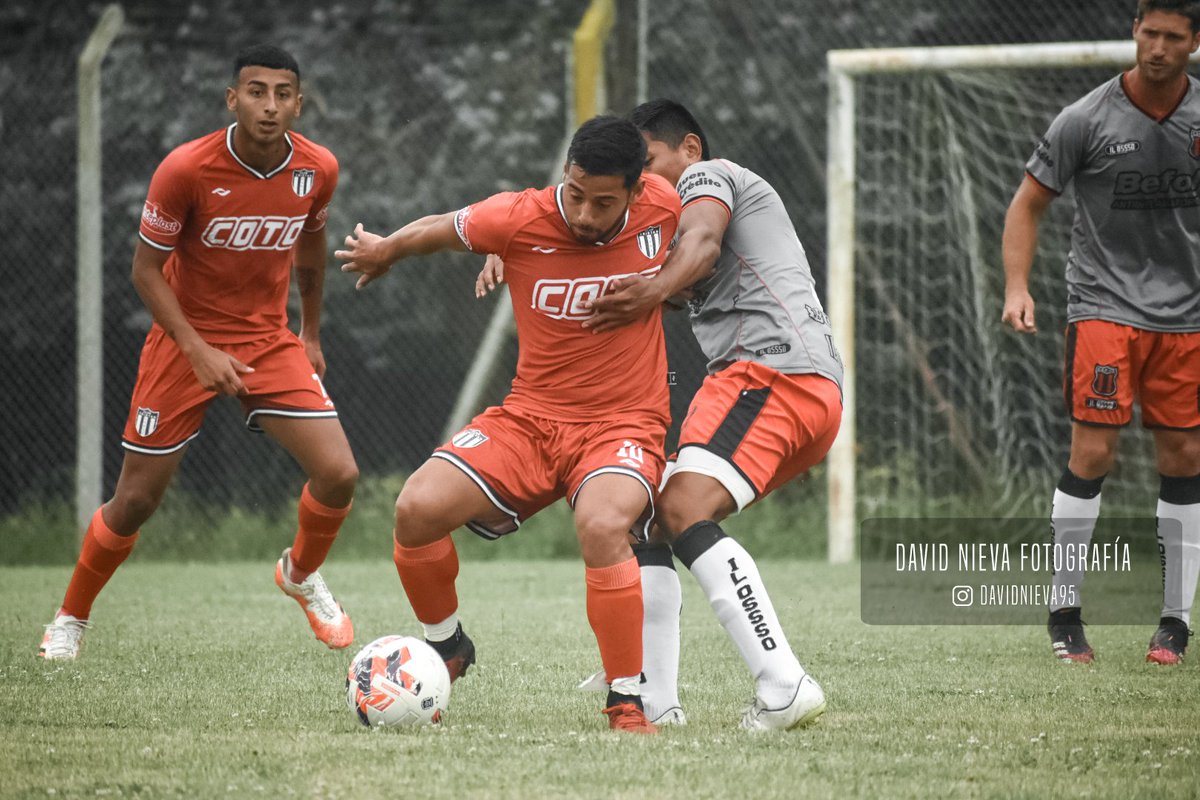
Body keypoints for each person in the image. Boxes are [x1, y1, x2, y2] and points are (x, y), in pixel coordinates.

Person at [483, 100, 844, 731]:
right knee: (650, 515)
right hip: (786, 385)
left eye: (647, 163)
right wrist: (514, 249)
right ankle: (654, 699)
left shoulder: (713, 177)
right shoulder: (653, 229)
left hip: (770, 373)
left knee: (680, 510)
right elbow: (603, 260)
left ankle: (785, 683)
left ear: (690, 150)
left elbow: (700, 245)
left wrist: (651, 289)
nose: (641, 182)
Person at [336, 116, 680, 734]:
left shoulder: (665, 205)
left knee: (602, 524)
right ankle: (447, 646)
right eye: (574, 193)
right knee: (416, 509)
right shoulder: (519, 217)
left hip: (624, 421)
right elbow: (439, 230)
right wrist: (385, 249)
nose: (584, 212)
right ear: (563, 176)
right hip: (529, 419)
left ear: (635, 191)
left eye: (604, 202)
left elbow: (703, 241)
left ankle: (627, 701)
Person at [39, 45, 359, 661]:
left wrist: (311, 332)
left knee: (340, 474)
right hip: (183, 342)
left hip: (269, 340)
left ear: (299, 101)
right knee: (135, 501)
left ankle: (299, 574)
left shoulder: (317, 168)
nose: (270, 106)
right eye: (256, 91)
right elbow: (145, 271)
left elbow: (310, 249)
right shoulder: (185, 169)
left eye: (283, 93)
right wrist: (197, 349)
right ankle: (70, 617)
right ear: (232, 99)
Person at [1002, 0, 1200, 665]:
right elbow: (1028, 204)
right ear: (1134, 33)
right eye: (1150, 33)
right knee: (1093, 454)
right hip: (1104, 309)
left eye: (1174, 37)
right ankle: (1065, 614)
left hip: (1188, 318)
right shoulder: (1084, 118)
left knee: (1185, 456)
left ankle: (1174, 623)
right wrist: (1017, 287)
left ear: (1194, 42)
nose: (1160, 48)